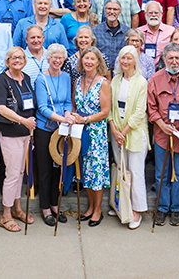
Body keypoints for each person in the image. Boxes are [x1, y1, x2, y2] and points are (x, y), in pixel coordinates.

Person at [148, 43, 179, 226]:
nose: (174, 61)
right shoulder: (155, 79)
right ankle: (162, 208)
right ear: (164, 59)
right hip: (163, 136)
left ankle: (176, 209)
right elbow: (151, 109)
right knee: (162, 174)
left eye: (178, 58)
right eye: (170, 58)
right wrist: (161, 125)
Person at [0, 47, 37, 232]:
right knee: (11, 174)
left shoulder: (26, 78)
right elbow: (1, 108)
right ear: (8, 61)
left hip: (26, 134)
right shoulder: (2, 80)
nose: (17, 60)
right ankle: (6, 215)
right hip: (11, 133)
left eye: (20, 57)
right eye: (13, 58)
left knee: (20, 173)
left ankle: (18, 208)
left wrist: (29, 124)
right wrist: (22, 120)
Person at [108, 46, 150, 229]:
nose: (125, 61)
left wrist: (123, 133)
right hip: (116, 133)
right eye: (122, 58)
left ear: (134, 60)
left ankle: (137, 210)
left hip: (133, 134)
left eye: (128, 58)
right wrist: (114, 131)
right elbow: (109, 108)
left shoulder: (141, 82)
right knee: (121, 171)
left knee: (135, 172)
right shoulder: (115, 81)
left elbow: (140, 113)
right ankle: (121, 204)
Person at [34, 44, 73, 226]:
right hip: (45, 129)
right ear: (48, 59)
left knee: (59, 169)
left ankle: (55, 204)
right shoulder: (41, 79)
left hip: (61, 129)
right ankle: (45, 208)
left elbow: (67, 101)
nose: (57, 61)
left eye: (60, 58)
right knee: (45, 170)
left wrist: (67, 114)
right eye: (54, 57)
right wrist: (61, 119)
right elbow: (42, 108)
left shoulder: (66, 77)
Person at [73, 46, 111, 226]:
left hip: (96, 134)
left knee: (96, 172)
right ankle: (89, 207)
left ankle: (98, 210)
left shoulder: (103, 82)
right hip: (81, 132)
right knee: (85, 172)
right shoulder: (77, 81)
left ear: (98, 62)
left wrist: (85, 119)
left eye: (92, 59)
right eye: (85, 58)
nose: (88, 62)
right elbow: (74, 106)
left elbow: (105, 111)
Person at [92, 0, 130, 70]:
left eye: (115, 9)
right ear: (104, 10)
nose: (112, 12)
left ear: (120, 12)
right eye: (109, 9)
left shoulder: (127, 32)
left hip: (121, 71)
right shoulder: (95, 31)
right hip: (101, 72)